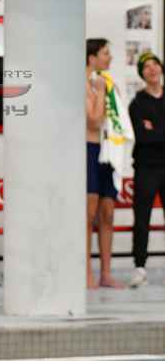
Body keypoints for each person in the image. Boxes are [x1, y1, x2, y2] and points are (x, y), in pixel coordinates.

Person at [86, 38, 125, 289]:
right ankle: (86, 272)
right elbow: (94, 121)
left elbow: (117, 119)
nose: (109, 58)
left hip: (108, 152)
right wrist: (100, 92)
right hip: (89, 149)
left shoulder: (109, 83)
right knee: (89, 214)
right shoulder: (83, 85)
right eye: (105, 53)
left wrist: (108, 91)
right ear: (92, 58)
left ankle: (106, 273)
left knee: (108, 212)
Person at [128, 52, 165, 288]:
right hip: (146, 168)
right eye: (147, 67)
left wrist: (154, 129)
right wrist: (152, 132)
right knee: (142, 219)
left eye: (155, 65)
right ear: (142, 73)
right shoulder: (137, 103)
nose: (152, 69)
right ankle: (139, 267)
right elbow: (143, 137)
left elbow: (152, 134)